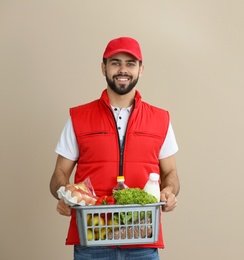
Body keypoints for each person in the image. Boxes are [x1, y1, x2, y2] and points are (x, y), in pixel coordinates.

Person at [49, 36, 180, 260]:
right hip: (92, 241)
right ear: (104, 68)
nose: (123, 69)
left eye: (130, 63)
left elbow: (171, 174)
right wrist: (65, 195)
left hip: (143, 240)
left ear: (141, 69)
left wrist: (169, 192)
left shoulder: (160, 119)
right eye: (115, 62)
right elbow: (58, 175)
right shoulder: (79, 118)